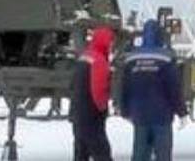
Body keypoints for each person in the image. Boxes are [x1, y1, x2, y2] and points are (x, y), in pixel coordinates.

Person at [120, 19, 187, 161]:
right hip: (161, 116)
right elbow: (174, 88)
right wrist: (182, 112)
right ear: (160, 35)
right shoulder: (166, 58)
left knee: (140, 154)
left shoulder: (132, 59)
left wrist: (125, 110)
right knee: (162, 155)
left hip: (140, 116)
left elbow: (125, 87)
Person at [71, 25, 115, 161]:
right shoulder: (99, 61)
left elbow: (72, 85)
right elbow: (98, 89)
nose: (111, 46)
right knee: (102, 153)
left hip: (78, 114)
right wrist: (102, 107)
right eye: (110, 42)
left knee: (81, 153)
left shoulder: (84, 57)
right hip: (92, 115)